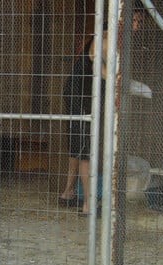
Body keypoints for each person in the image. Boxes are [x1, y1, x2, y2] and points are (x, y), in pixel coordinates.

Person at [59, 6, 145, 215]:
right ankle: (88, 206)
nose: (136, 26)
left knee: (78, 146)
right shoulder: (106, 36)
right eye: (133, 21)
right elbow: (101, 69)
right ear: (121, 19)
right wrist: (126, 84)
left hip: (88, 95)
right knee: (85, 148)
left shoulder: (118, 38)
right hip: (79, 96)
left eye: (139, 22)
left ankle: (68, 193)